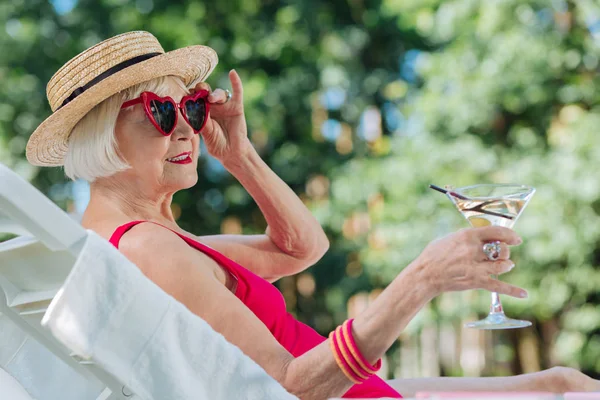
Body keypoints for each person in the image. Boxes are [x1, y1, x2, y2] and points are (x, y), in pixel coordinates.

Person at [26, 31, 599, 399]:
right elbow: (294, 388)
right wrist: (422, 279)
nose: (186, 127)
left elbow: (301, 249)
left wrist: (240, 154)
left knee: (564, 386)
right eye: (158, 111)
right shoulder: (147, 251)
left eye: (193, 106)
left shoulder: (152, 244)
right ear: (101, 135)